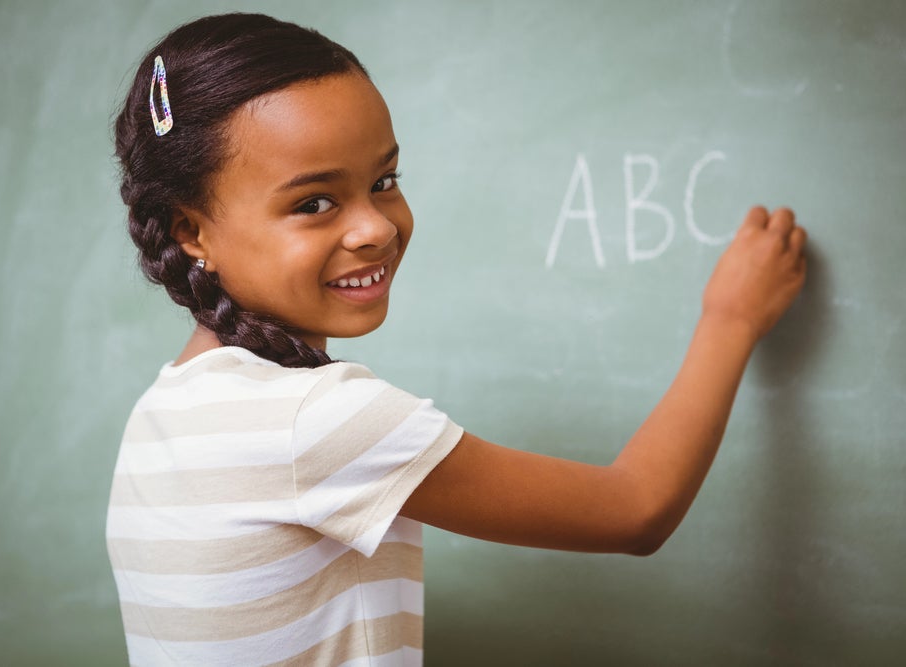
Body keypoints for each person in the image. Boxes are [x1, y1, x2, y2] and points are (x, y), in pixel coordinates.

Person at [106, 12, 807, 666]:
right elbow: (635, 509)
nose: (376, 226)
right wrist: (731, 319)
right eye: (314, 202)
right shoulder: (314, 419)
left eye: (384, 180)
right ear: (191, 231)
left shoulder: (160, 414)